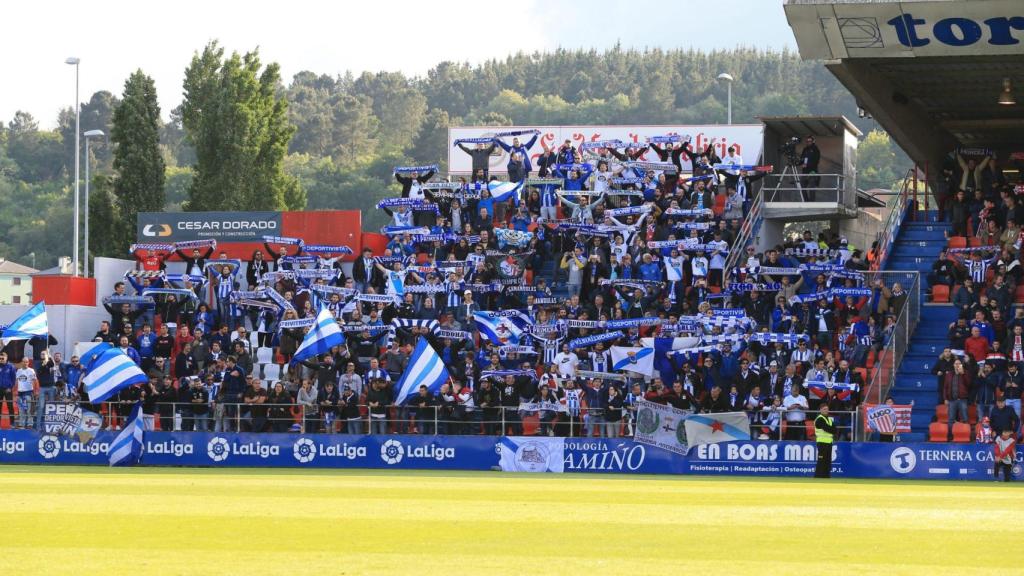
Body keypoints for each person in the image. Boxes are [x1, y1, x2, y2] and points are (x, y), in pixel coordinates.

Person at [814, 404, 836, 479]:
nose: (826, 410)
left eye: (827, 409)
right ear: (820, 410)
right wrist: (830, 429)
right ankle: (818, 475)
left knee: (827, 460)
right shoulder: (819, 419)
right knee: (821, 459)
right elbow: (828, 428)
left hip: (829, 442)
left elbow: (834, 430)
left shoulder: (829, 419)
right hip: (822, 442)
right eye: (824, 409)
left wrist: (830, 429)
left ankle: (826, 475)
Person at [14, 358, 36, 430]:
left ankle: (30, 424)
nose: (25, 363)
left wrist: (34, 392)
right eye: (24, 362)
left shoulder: (31, 370)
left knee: (29, 409)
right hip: (20, 392)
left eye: (26, 362)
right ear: (22, 362)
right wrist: (15, 391)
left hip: (28, 392)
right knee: (21, 409)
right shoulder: (19, 371)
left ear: (28, 363)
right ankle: (21, 424)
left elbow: (34, 381)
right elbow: (17, 381)